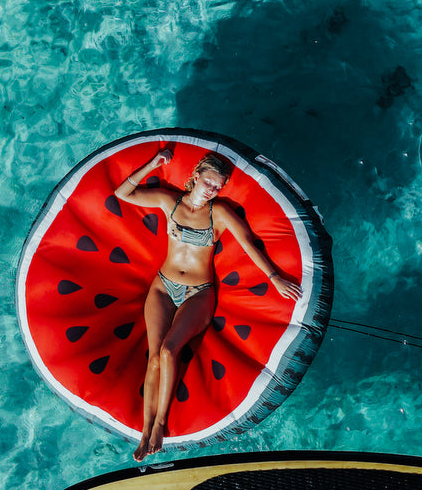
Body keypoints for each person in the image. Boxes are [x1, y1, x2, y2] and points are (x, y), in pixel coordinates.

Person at [114, 146, 302, 460]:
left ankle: (160, 423)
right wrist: (153, 163)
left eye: (218, 186)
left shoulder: (220, 212)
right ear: (196, 177)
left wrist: (274, 277)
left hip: (199, 292)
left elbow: (249, 244)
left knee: (168, 350)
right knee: (154, 358)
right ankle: (145, 430)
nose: (213, 189)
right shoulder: (168, 201)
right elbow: (123, 192)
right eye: (209, 183)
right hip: (162, 286)